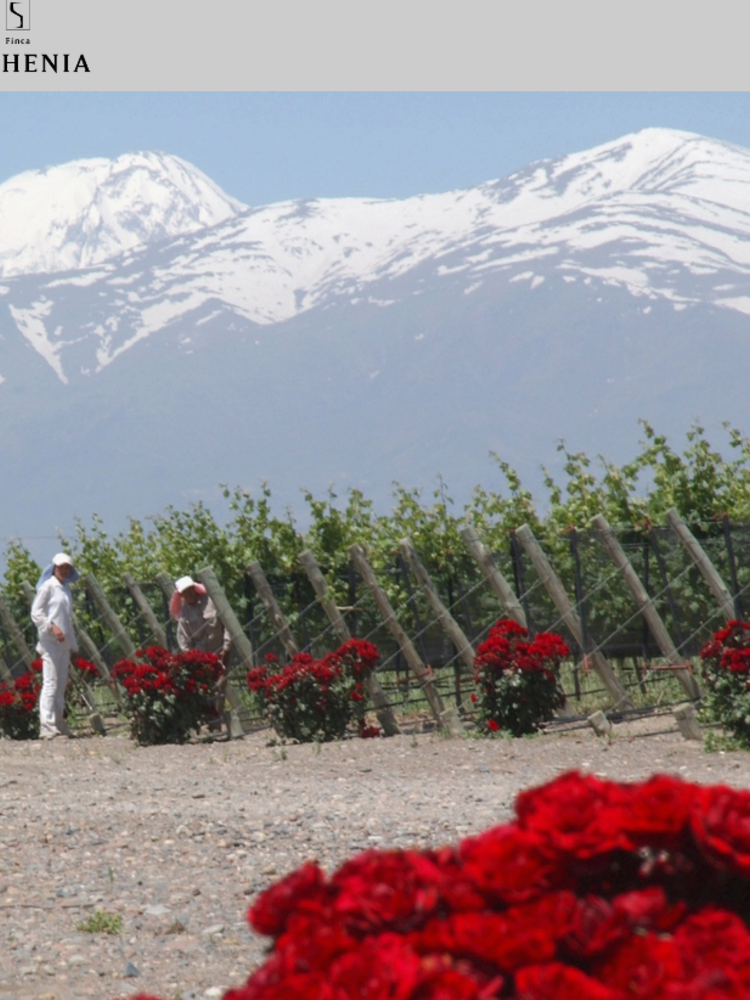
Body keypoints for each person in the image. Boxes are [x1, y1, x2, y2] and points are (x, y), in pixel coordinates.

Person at [171, 576, 231, 728]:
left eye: (190, 590)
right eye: (185, 592)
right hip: (201, 660)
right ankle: (209, 724)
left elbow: (227, 624)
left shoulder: (211, 602)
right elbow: (183, 642)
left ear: (195, 588)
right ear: (181, 595)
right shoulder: (184, 615)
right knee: (206, 692)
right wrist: (193, 661)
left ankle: (216, 724)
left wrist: (226, 647)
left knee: (220, 688)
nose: (189, 594)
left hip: (220, 652)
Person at [30, 552, 80, 739]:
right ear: (54, 568)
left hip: (63, 644)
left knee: (60, 685)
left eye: (67, 568)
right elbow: (36, 613)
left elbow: (66, 617)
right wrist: (51, 627)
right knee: (50, 684)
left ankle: (59, 723)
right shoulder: (48, 587)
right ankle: (47, 725)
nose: (64, 571)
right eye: (61, 567)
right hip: (50, 643)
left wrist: (71, 642)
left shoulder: (65, 589)